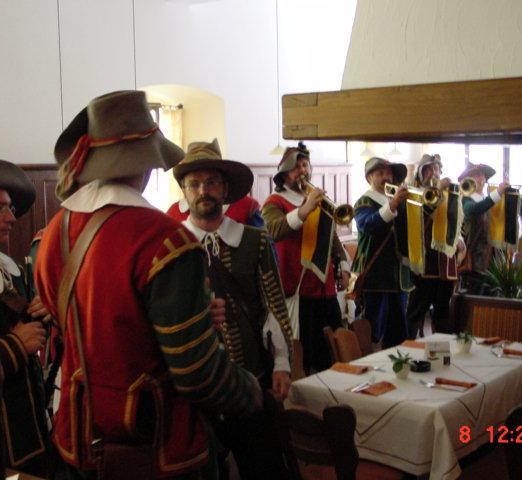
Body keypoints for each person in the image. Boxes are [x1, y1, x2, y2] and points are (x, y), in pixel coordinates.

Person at [34, 90, 261, 479]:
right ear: (147, 165)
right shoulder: (165, 240)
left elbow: (81, 322)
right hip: (156, 448)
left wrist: (190, 318)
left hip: (79, 440)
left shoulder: (55, 232)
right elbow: (196, 372)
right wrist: (251, 392)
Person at [174, 138, 292, 480]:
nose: (203, 190)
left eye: (211, 182)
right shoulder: (173, 245)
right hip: (197, 388)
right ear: (184, 190)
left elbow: (274, 305)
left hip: (250, 380)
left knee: (264, 466)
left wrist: (282, 364)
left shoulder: (255, 241)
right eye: (194, 184)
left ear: (225, 189)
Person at [262, 143, 350, 373]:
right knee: (309, 353)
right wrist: (303, 210)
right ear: (284, 174)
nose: (302, 171)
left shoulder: (314, 197)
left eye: (305, 165)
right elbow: (273, 230)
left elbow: (330, 237)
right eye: (296, 167)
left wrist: (343, 264)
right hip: (299, 289)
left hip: (325, 284)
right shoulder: (274, 202)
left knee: (334, 349)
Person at [0, 159, 52, 476]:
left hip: (30, 431)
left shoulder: (8, 268)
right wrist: (15, 345)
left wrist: (44, 313)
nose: (11, 218)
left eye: (11, 208)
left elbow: (26, 328)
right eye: (0, 208)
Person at [351, 157, 413, 348]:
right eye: (380, 173)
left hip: (399, 279)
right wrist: (392, 205)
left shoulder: (399, 201)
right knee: (372, 332)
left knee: (398, 333)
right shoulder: (363, 201)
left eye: (389, 174)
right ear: (370, 177)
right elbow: (368, 225)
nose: (386, 177)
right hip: (374, 279)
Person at [406, 154, 465, 338]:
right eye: (429, 169)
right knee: (417, 309)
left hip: (445, 261)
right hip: (425, 262)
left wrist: (459, 238)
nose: (434, 173)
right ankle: (409, 348)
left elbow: (453, 220)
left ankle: (442, 349)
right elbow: (421, 216)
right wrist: (437, 191)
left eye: (436, 169)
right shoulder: (414, 193)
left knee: (442, 311)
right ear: (421, 173)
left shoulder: (448, 194)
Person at [458, 163, 509, 294]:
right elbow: (475, 209)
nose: (480, 178)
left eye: (482, 175)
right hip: (474, 263)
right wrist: (497, 192)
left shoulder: (487, 200)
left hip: (490, 262)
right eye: (475, 175)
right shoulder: (466, 200)